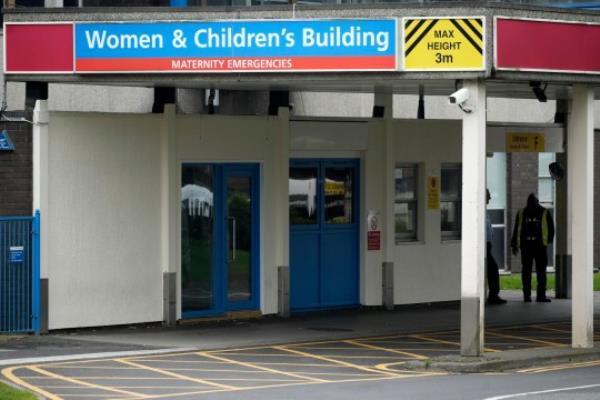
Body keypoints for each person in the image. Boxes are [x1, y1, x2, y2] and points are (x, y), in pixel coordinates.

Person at [511, 193, 555, 303]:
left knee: (532, 271)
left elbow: (550, 228)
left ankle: (531, 296)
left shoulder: (542, 212)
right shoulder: (523, 213)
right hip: (534, 246)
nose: (531, 203)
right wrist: (514, 244)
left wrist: (514, 245)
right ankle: (536, 296)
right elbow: (517, 228)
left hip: (532, 246)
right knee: (536, 272)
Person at [486, 189, 506, 305]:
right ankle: (493, 295)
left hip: (488, 245)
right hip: (484, 245)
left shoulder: (485, 211)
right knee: (493, 269)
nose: (490, 198)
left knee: (492, 269)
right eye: (488, 196)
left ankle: (493, 294)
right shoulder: (480, 210)